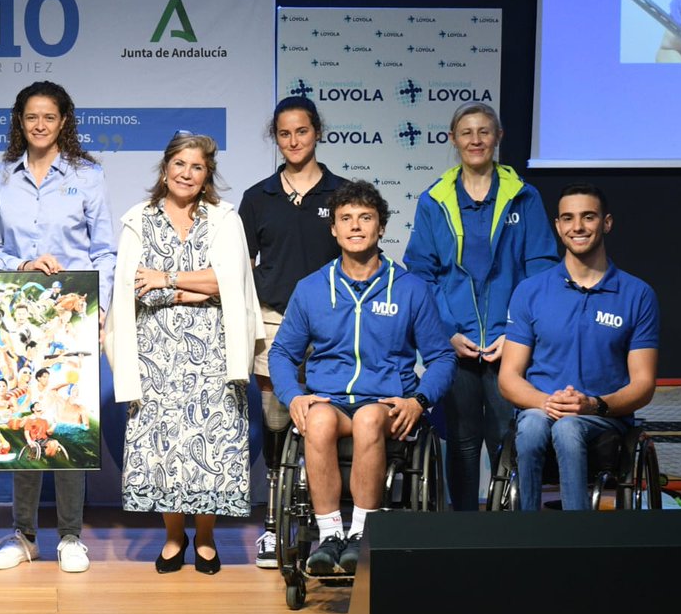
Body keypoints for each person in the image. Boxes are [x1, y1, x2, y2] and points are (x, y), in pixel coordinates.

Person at [269, 180, 455, 577]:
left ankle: (361, 535)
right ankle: (331, 535)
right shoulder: (312, 288)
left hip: (386, 405)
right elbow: (282, 353)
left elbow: (441, 357)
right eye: (346, 219)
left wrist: (418, 401)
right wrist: (293, 396)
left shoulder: (410, 289)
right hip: (331, 402)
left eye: (365, 218)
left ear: (381, 227)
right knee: (316, 419)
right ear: (334, 229)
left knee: (370, 417)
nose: (355, 226)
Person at [104, 132, 262, 575]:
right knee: (163, 445)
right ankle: (174, 537)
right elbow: (135, 283)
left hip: (212, 349)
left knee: (210, 441)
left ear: (207, 174)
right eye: (179, 164)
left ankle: (207, 538)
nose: (186, 173)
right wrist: (194, 286)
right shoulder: (139, 218)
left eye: (196, 167)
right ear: (165, 168)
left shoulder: (223, 219)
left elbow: (229, 281)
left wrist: (168, 280)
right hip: (154, 351)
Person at [0, 80, 116, 574]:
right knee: (25, 425)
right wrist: (20, 266)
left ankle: (71, 536)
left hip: (74, 319)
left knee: (70, 425)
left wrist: (102, 308)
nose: (39, 125)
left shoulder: (87, 175)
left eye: (49, 118)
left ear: (63, 122)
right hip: (18, 319)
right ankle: (23, 534)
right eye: (31, 117)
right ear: (20, 121)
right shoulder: (1, 178)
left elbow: (104, 250)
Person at [403, 103, 557, 511]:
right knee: (463, 439)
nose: (475, 140)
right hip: (455, 344)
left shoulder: (525, 196)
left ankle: (514, 530)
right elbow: (420, 274)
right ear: (453, 139)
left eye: (484, 131)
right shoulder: (433, 200)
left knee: (510, 437)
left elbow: (540, 270)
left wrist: (516, 332)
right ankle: (465, 528)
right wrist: (446, 333)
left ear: (498, 138)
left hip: (513, 344)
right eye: (466, 132)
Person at [498, 184, 659, 511]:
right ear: (558, 227)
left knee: (569, 427)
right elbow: (509, 377)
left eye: (588, 217)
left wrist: (593, 405)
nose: (578, 227)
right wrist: (548, 402)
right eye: (568, 218)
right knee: (529, 425)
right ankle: (524, 535)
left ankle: (577, 539)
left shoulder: (637, 294)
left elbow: (643, 384)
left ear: (607, 223)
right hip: (540, 410)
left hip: (604, 419)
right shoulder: (530, 291)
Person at [238, 95, 346, 568]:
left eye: (301, 131)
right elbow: (238, 266)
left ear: (316, 132)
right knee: (277, 425)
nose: (294, 140)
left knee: (327, 420)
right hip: (273, 322)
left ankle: (330, 525)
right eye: (284, 133)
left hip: (333, 324)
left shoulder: (342, 194)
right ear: (275, 138)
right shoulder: (257, 197)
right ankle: (274, 524)